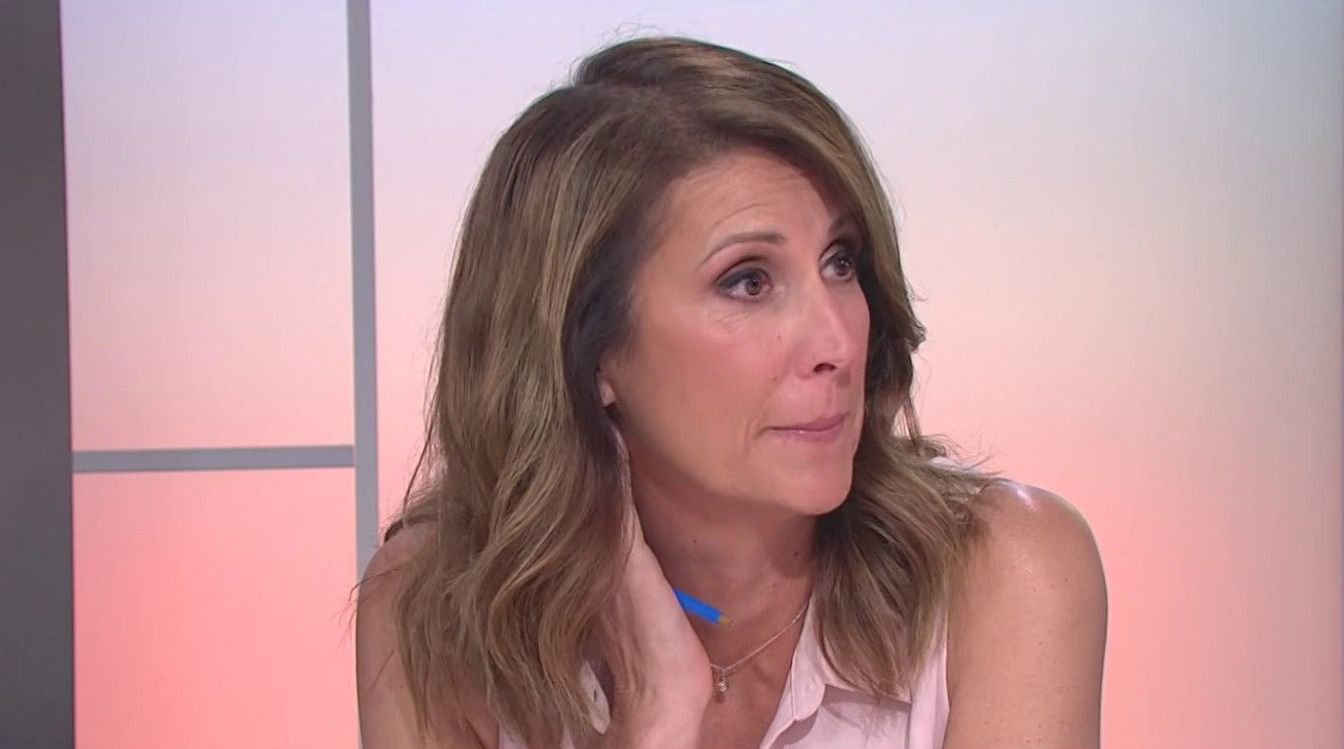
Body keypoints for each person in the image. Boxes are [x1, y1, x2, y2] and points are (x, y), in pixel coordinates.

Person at [354, 35, 1107, 749]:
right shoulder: (436, 608)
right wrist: (655, 715)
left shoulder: (1007, 575)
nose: (839, 344)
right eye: (748, 281)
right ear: (590, 348)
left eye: (841, 261)